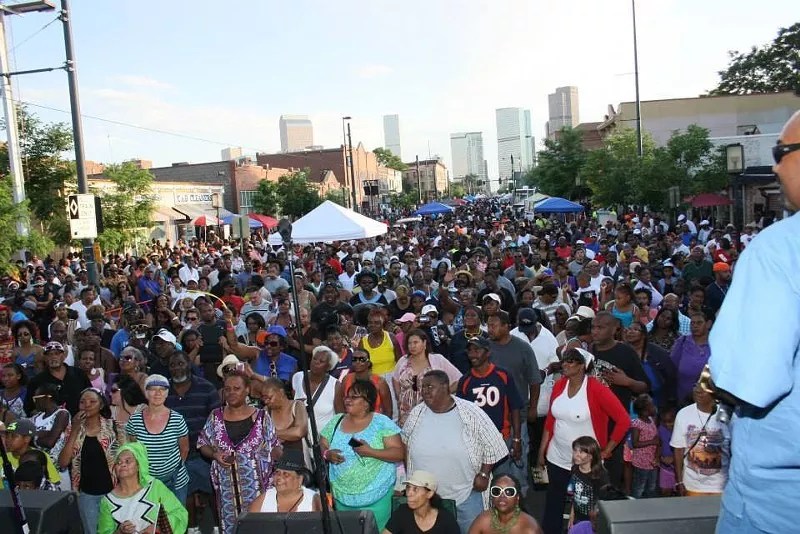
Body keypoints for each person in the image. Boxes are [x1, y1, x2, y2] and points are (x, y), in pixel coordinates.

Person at [710, 113, 800, 534]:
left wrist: (714, 378)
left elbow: (748, 381)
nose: (776, 168)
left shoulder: (780, 249)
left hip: (778, 506)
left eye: (782, 153)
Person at [537, 348, 630, 534]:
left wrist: (607, 450)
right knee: (553, 502)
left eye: (571, 361)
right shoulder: (559, 385)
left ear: (582, 366)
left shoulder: (597, 389)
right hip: (557, 456)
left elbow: (623, 420)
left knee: (586, 506)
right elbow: (550, 421)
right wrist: (542, 451)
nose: (565, 364)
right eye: (564, 360)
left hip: (587, 463)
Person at [403, 370, 509, 534]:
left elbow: (493, 443)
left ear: (445, 387)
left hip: (465, 495)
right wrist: (410, 477)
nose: (425, 391)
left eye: (430, 387)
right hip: (427, 499)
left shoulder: (470, 411)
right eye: (423, 387)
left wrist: (484, 474)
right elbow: (404, 443)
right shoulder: (417, 413)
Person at [198, 373, 280, 534]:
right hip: (226, 490)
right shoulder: (215, 417)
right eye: (227, 389)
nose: (231, 392)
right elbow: (202, 444)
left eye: (237, 388)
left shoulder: (262, 417)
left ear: (247, 390)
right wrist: (215, 455)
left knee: (259, 528)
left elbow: (275, 447)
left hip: (257, 489)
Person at [320, 379, 405, 531]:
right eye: (347, 396)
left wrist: (371, 451)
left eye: (354, 397)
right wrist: (327, 454)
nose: (348, 400)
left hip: (376, 497)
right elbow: (322, 443)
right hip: (342, 497)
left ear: (367, 403)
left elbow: (399, 453)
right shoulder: (336, 420)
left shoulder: (381, 422)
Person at [486, 311, 541, 496]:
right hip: (492, 418)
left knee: (518, 460)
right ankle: (497, 499)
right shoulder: (485, 348)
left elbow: (534, 380)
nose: (490, 329)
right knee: (495, 464)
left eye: (494, 325)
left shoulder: (523, 348)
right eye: (488, 325)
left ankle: (520, 498)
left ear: (506, 326)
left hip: (518, 416)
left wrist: (533, 407)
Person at [165, 351, 220, 532]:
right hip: (176, 455)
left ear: (189, 364)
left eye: (180, 363)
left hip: (203, 454)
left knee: (213, 493)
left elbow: (216, 421)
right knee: (184, 495)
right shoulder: (163, 392)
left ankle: (218, 528)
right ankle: (192, 529)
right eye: (172, 365)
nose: (176, 368)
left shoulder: (206, 388)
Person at [456, 337, 523, 483]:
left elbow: (515, 407)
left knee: (501, 481)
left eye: (477, 350)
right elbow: (460, 414)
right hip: (476, 441)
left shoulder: (503, 375)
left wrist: (516, 438)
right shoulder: (465, 380)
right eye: (470, 351)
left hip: (501, 437)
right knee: (479, 482)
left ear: (487, 353)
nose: (472, 355)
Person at [58, 388, 119, 534]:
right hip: (87, 495)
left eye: (92, 401)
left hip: (114, 492)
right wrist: (74, 430)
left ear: (101, 405)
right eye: (82, 402)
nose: (87, 405)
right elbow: (63, 462)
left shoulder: (114, 427)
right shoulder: (72, 429)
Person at [97, 442, 188, 534]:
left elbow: (179, 513)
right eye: (118, 462)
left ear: (138, 465)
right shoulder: (108, 501)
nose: (122, 465)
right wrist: (120, 532)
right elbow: (104, 532)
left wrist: (158, 527)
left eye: (128, 461)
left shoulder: (155, 487)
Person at [125, 374, 190, 503]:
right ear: (146, 393)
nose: (158, 393)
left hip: (176, 482)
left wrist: (174, 469)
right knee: (150, 515)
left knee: (176, 515)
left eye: (162, 389)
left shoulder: (177, 419)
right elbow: (133, 449)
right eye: (153, 389)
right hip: (146, 482)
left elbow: (185, 449)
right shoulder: (135, 420)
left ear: (167, 393)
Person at [670, 381, 730, 497]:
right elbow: (678, 450)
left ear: (715, 393)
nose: (698, 390)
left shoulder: (727, 415)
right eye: (696, 385)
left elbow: (736, 450)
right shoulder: (683, 414)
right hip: (693, 486)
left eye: (704, 388)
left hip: (722, 486)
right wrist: (679, 481)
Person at [394, 328, 461, 427]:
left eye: (416, 342)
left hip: (430, 410)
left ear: (424, 343)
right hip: (406, 413)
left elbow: (459, 379)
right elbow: (395, 378)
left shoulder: (437, 359)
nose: (412, 346)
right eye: (409, 343)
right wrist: (399, 396)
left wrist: (443, 394)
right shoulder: (403, 361)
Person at [25, 341, 91, 416]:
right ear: (45, 358)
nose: (53, 357)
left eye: (57, 353)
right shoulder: (37, 381)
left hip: (81, 419)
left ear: (64, 356)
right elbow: (29, 408)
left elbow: (90, 395)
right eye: (50, 354)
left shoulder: (79, 374)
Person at [384, 470, 460, 534]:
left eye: (415, 489)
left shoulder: (446, 519)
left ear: (429, 494)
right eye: (408, 488)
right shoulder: (402, 512)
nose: (409, 493)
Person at [247, 448, 321, 512]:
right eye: (277, 472)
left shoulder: (314, 501)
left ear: (300, 479)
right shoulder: (263, 500)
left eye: (286, 474)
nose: (279, 477)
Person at [468, 474, 543, 534]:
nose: (502, 496)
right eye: (497, 491)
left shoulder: (529, 528)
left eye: (509, 492)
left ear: (517, 498)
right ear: (492, 497)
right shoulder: (483, 520)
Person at [30, 382, 71, 490]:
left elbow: (50, 442)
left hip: (57, 469)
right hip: (39, 469)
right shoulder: (36, 417)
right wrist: (44, 434)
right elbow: (26, 437)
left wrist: (34, 437)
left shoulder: (62, 414)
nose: (34, 402)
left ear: (47, 398)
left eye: (36, 398)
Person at [670, 309, 713, 404]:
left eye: (699, 323)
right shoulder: (682, 342)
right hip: (682, 397)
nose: (695, 326)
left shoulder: (716, 344)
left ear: (708, 324)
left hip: (708, 396)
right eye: (692, 323)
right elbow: (672, 367)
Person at [567, 436, 609, 532]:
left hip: (592, 522)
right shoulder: (575, 469)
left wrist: (596, 525)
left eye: (581, 452)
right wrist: (572, 515)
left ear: (591, 456)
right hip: (578, 517)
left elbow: (604, 504)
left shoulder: (601, 476)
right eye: (575, 451)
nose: (576, 455)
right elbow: (575, 494)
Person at [340, 347, 393, 415]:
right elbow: (341, 404)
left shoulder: (380, 382)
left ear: (368, 363)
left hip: (374, 420)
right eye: (354, 359)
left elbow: (388, 410)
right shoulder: (346, 379)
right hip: (351, 419)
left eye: (362, 359)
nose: (357, 362)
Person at [261, 377, 308, 452]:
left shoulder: (297, 405)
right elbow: (261, 434)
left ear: (281, 392)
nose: (266, 401)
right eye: (264, 398)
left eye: (269, 398)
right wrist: (287, 434)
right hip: (274, 457)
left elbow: (300, 432)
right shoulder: (266, 411)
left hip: (298, 456)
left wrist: (273, 434)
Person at [629, 394, 659, 498]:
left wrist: (657, 456)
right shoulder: (637, 424)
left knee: (651, 487)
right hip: (641, 462)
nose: (654, 407)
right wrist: (652, 442)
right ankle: (635, 504)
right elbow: (635, 443)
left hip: (652, 461)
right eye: (651, 405)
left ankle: (648, 505)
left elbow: (656, 439)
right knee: (639, 487)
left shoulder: (651, 420)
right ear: (644, 411)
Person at [359, 308, 403, 376]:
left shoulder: (391, 338)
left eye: (376, 323)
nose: (372, 325)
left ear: (383, 324)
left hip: (392, 379)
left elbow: (400, 362)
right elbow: (360, 366)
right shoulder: (363, 342)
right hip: (373, 379)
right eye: (370, 322)